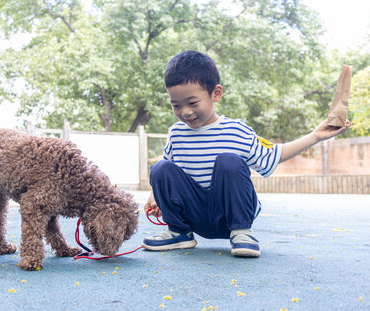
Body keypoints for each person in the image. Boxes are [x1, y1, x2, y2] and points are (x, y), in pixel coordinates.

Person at [141, 50, 352, 257]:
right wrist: (155, 196)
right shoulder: (176, 133)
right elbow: (167, 173)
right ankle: (180, 233)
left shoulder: (236, 130)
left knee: (228, 161)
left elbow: (274, 155)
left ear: (216, 93)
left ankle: (241, 232)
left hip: (228, 215)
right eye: (176, 105)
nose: (185, 112)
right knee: (160, 167)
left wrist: (315, 136)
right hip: (194, 215)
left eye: (193, 103)